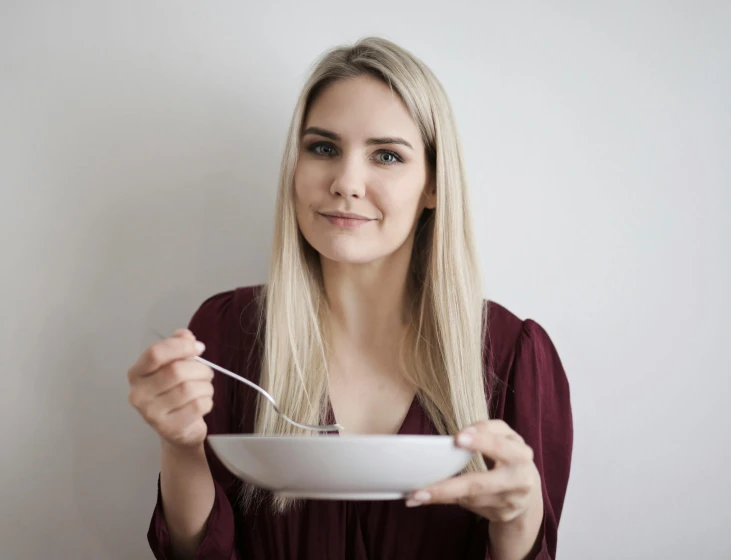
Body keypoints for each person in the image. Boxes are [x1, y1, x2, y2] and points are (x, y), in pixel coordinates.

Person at [127, 36, 573, 560]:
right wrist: (180, 445)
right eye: (323, 148)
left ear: (433, 185)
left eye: (386, 155)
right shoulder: (226, 332)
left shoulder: (511, 352)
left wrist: (521, 520)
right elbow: (191, 553)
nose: (346, 182)